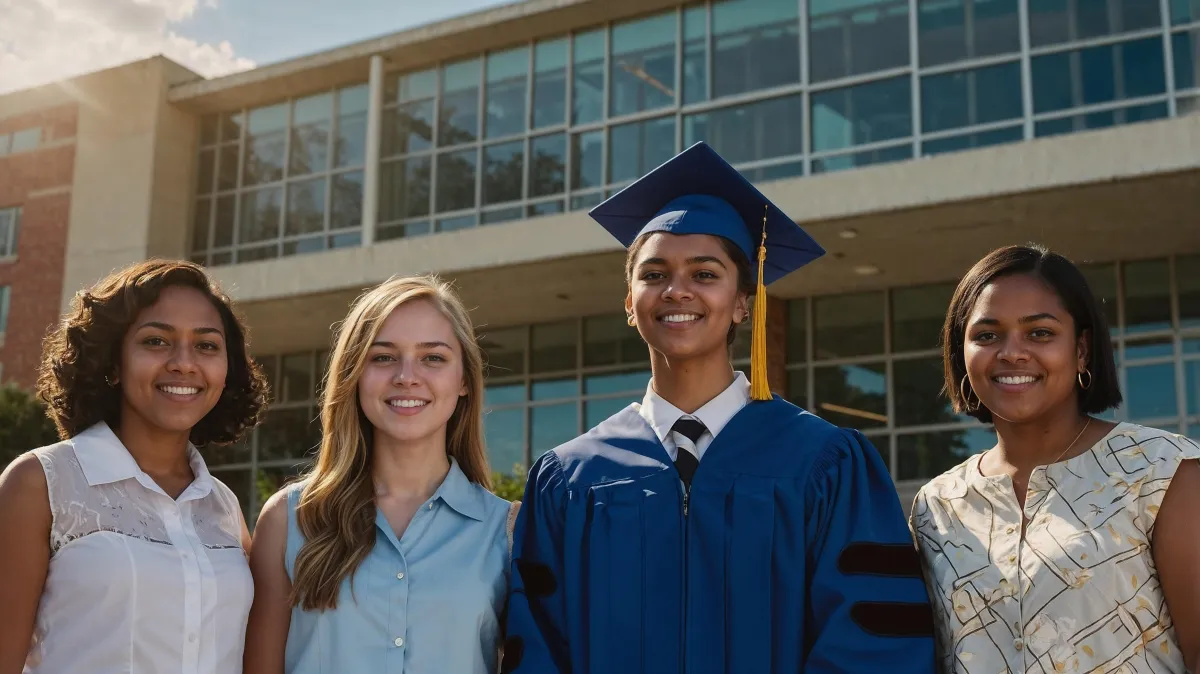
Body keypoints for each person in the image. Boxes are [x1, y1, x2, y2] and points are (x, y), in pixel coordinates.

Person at [501, 142, 935, 674]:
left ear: (743, 303)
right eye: (654, 274)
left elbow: (873, 645)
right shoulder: (570, 477)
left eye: (704, 274)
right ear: (629, 304)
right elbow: (538, 645)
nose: (677, 291)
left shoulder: (824, 462)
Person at [910, 244, 1200, 673]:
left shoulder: (1161, 472)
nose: (1012, 352)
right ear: (961, 353)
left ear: (1081, 349)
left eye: (1040, 333)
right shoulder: (937, 506)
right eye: (987, 335)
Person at [0, 259, 268, 674]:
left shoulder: (224, 507)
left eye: (207, 345)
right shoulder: (39, 484)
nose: (184, 362)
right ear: (113, 363)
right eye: (156, 341)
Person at [243, 275, 517, 674]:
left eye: (433, 358)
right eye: (383, 357)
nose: (407, 376)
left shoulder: (508, 531)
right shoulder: (288, 520)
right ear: (354, 375)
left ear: (463, 381)